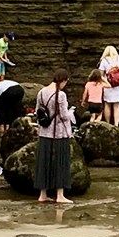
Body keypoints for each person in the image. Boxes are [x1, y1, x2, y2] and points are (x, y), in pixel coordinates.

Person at [34, 68, 76, 205]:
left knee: (44, 162)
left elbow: (37, 112)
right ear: (63, 80)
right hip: (59, 133)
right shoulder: (61, 95)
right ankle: (60, 195)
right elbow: (63, 115)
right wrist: (70, 114)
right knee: (60, 163)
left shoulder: (41, 92)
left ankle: (43, 194)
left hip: (44, 132)